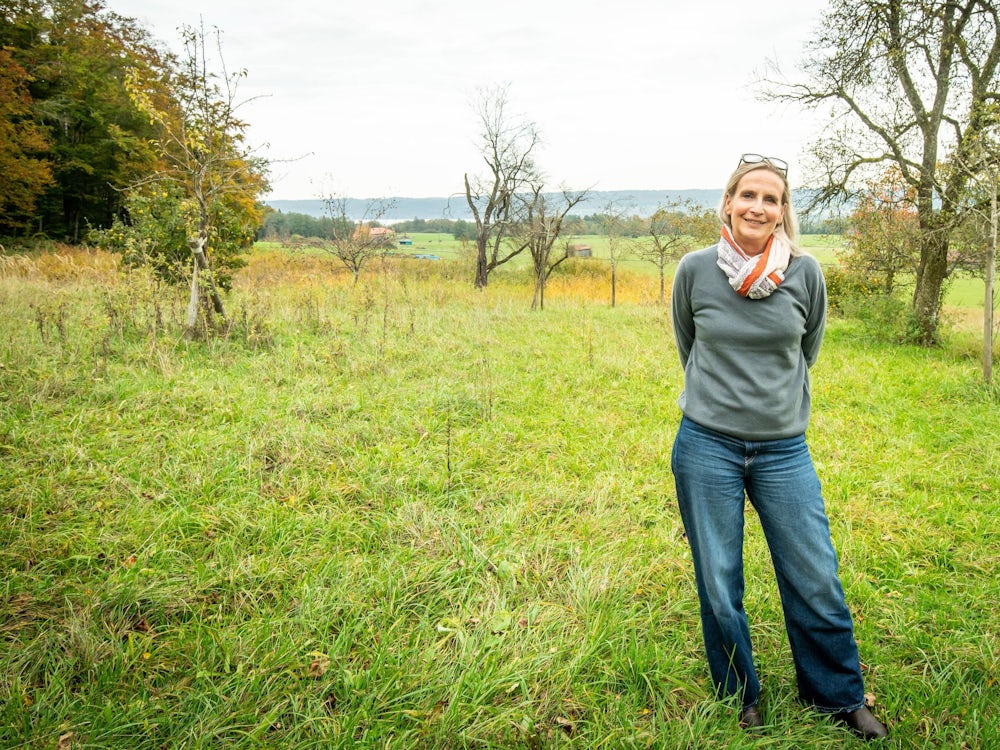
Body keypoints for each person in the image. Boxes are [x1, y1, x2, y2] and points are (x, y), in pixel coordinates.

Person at [669, 154, 889, 740]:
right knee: (719, 576)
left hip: (783, 450)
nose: (758, 207)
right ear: (729, 202)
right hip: (706, 445)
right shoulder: (694, 270)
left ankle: (837, 695)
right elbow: (687, 345)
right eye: (749, 196)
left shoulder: (806, 273)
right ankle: (741, 694)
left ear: (782, 212)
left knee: (814, 572)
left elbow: (806, 349)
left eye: (772, 199)